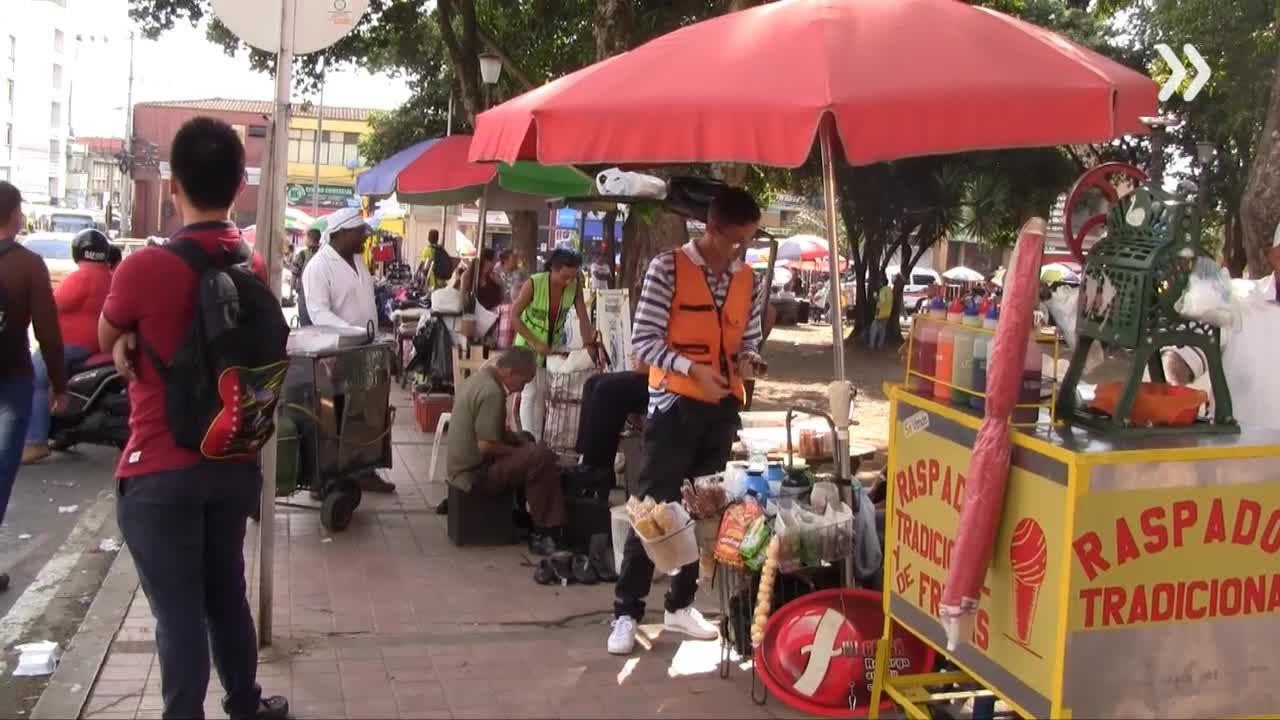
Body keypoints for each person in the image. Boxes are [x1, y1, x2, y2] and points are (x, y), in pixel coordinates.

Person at [96, 117, 288, 720]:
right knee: (226, 594)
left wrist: (128, 339)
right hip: (230, 460)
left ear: (173, 184)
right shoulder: (250, 265)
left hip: (159, 469)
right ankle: (246, 705)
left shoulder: (143, 269)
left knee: (178, 613)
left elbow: (109, 334)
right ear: (238, 187)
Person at [608, 187, 766, 655]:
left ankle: (681, 606)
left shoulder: (748, 279)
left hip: (721, 410)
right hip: (675, 406)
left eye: (749, 242)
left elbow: (747, 338)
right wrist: (693, 370)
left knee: (702, 508)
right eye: (738, 241)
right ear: (712, 230)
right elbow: (645, 344)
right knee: (655, 509)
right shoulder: (667, 268)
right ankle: (626, 612)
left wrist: (752, 361)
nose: (743, 250)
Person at [0, 181, 67, 592]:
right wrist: (59, 384)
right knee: (2, 472)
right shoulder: (28, 265)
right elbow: (47, 330)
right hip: (13, 379)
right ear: (14, 215)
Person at [447, 347, 565, 555]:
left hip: (464, 470)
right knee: (540, 457)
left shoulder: (480, 379)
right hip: (472, 477)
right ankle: (547, 531)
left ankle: (521, 511)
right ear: (510, 372)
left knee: (527, 439)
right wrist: (526, 453)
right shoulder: (492, 393)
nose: (521, 389)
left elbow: (498, 433)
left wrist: (522, 444)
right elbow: (486, 447)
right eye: (523, 382)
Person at [23, 228, 114, 463]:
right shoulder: (109, 276)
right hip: (94, 344)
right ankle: (62, 430)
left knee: (35, 381)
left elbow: (53, 304)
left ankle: (34, 442)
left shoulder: (81, 276)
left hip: (67, 344)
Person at [511, 248, 597, 440]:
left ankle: (538, 440)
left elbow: (583, 318)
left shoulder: (574, 286)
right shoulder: (534, 283)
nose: (569, 282)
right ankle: (528, 442)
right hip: (527, 345)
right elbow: (514, 316)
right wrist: (535, 343)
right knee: (530, 393)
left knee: (542, 394)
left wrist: (588, 343)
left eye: (573, 277)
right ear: (554, 269)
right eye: (565, 277)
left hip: (551, 348)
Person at [574, 356, 651, 489]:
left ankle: (598, 473)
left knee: (606, 389)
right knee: (592, 383)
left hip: (669, 377)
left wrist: (650, 364)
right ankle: (588, 463)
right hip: (654, 371)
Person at [301, 208, 378, 333]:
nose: (365, 236)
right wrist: (355, 333)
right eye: (360, 232)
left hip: (368, 346)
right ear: (342, 233)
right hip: (342, 349)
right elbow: (319, 313)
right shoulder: (318, 266)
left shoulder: (359, 260)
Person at [293, 225, 322, 326]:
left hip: (304, 294)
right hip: (319, 293)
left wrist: (291, 291)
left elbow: (294, 273)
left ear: (309, 239)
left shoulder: (302, 254)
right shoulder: (323, 254)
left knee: (305, 324)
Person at [868, 272, 893, 350]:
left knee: (873, 328)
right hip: (887, 312)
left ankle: (871, 345)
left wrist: (875, 296)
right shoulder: (889, 290)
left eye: (879, 282)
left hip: (880, 312)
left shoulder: (882, 290)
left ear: (881, 282)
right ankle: (880, 345)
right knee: (882, 329)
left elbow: (881, 300)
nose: (878, 284)